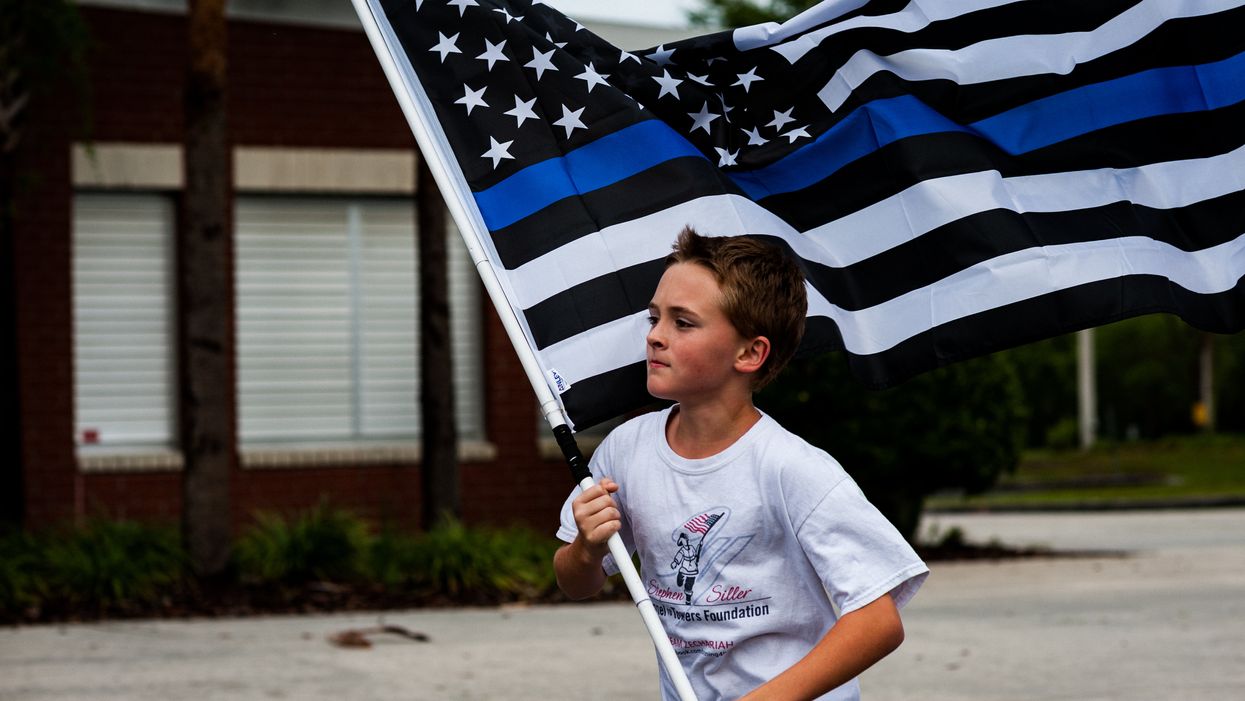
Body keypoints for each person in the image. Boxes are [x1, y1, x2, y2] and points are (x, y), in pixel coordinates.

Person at [553, 227, 928, 701]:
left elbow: (879, 621)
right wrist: (587, 549)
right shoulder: (625, 451)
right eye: (654, 318)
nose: (655, 337)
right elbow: (576, 583)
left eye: (683, 323)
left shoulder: (792, 468)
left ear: (750, 353)